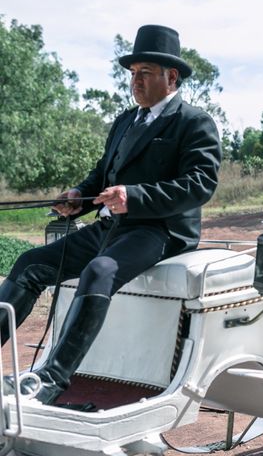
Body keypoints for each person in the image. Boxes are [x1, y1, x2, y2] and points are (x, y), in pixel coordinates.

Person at [0, 24, 221, 405]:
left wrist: (133, 196)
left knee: (99, 271)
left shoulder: (194, 122)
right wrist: (78, 198)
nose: (135, 81)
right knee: (30, 263)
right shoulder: (125, 120)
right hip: (114, 225)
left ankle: (52, 379)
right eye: (133, 73)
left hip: (161, 231)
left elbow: (200, 184)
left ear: (172, 77)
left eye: (145, 73)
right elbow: (103, 175)